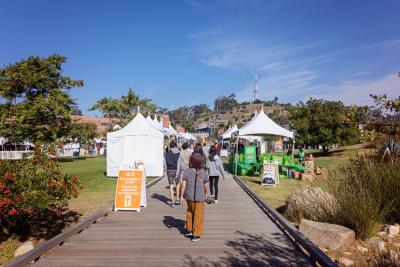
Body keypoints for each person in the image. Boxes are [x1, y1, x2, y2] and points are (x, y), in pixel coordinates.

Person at [180, 152, 209, 242]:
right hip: (200, 196)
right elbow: (206, 184)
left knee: (190, 212)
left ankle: (189, 229)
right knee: (199, 215)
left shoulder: (187, 171)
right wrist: (206, 193)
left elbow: (183, 185)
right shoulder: (204, 172)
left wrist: (181, 196)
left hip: (189, 196)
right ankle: (196, 234)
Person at [164, 141, 181, 207]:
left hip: (169, 170)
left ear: (170, 146)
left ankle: (172, 201)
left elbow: (164, 163)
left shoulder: (166, 153)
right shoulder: (179, 152)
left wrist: (166, 170)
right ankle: (177, 198)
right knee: (178, 184)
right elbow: (179, 163)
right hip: (177, 169)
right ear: (176, 145)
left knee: (171, 185)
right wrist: (178, 172)